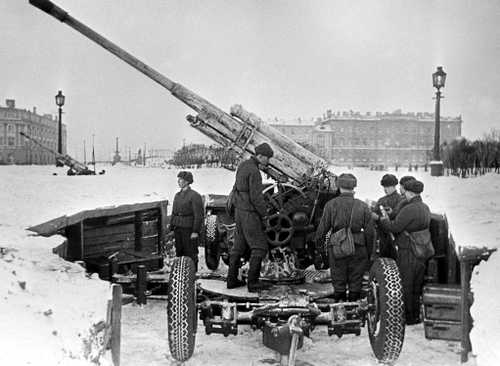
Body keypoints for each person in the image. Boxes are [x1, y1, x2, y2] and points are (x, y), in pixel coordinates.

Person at [314, 173, 375, 302]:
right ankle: (355, 313)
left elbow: (321, 232)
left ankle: (340, 313)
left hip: (337, 247)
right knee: (355, 283)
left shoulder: (331, 205)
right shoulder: (363, 206)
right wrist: (368, 253)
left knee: (339, 283)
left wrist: (320, 251)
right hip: (359, 247)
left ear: (338, 186)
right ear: (354, 187)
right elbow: (370, 233)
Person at [378, 179, 430, 325]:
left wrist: (383, 220)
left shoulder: (409, 209)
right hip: (422, 250)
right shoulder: (425, 207)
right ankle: (415, 316)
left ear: (410, 193)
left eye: (405, 192)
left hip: (408, 250)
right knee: (416, 285)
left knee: (406, 285)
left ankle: (408, 317)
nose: (404, 194)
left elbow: (395, 227)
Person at [226, 142, 274, 292]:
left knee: (238, 247)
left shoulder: (243, 166)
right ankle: (253, 283)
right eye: (267, 158)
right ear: (259, 156)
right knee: (259, 247)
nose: (268, 161)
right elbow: (256, 198)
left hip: (239, 212)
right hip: (249, 213)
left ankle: (232, 280)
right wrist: (265, 215)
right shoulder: (254, 172)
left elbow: (236, 188)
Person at [170, 171, 203, 271]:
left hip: (189, 229)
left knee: (191, 253)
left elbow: (198, 215)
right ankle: (181, 274)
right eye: (178, 179)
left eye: (181, 180)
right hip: (178, 228)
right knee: (179, 252)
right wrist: (172, 227)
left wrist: (195, 231)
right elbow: (174, 212)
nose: (179, 182)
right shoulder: (177, 195)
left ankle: (193, 274)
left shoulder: (195, 196)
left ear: (187, 182)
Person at [371, 174, 403, 258]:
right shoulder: (382, 200)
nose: (385, 189)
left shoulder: (400, 200)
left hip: (393, 236)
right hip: (383, 236)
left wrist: (377, 218)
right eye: (384, 187)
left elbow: (399, 219)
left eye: (388, 187)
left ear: (394, 186)